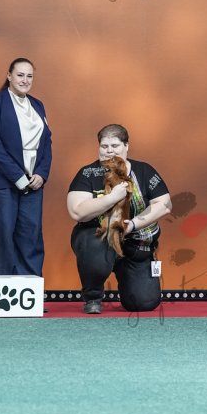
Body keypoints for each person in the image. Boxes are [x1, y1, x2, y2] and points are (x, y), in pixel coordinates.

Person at [67, 124, 172, 314]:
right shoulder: (87, 173)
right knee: (93, 244)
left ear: (126, 146)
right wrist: (111, 198)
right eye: (104, 146)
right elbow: (77, 211)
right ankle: (93, 296)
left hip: (135, 242)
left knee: (144, 303)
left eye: (115, 146)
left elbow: (164, 204)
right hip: (98, 238)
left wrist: (133, 225)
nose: (109, 151)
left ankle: (124, 269)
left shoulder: (144, 170)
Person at [0, 57, 53, 277]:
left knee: (31, 236)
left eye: (29, 76)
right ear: (9, 76)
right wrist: (17, 176)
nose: (25, 80)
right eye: (20, 75)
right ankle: (3, 288)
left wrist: (41, 173)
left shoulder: (38, 105)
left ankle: (30, 288)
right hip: (0, 183)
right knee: (1, 237)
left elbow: (47, 142)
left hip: (33, 184)